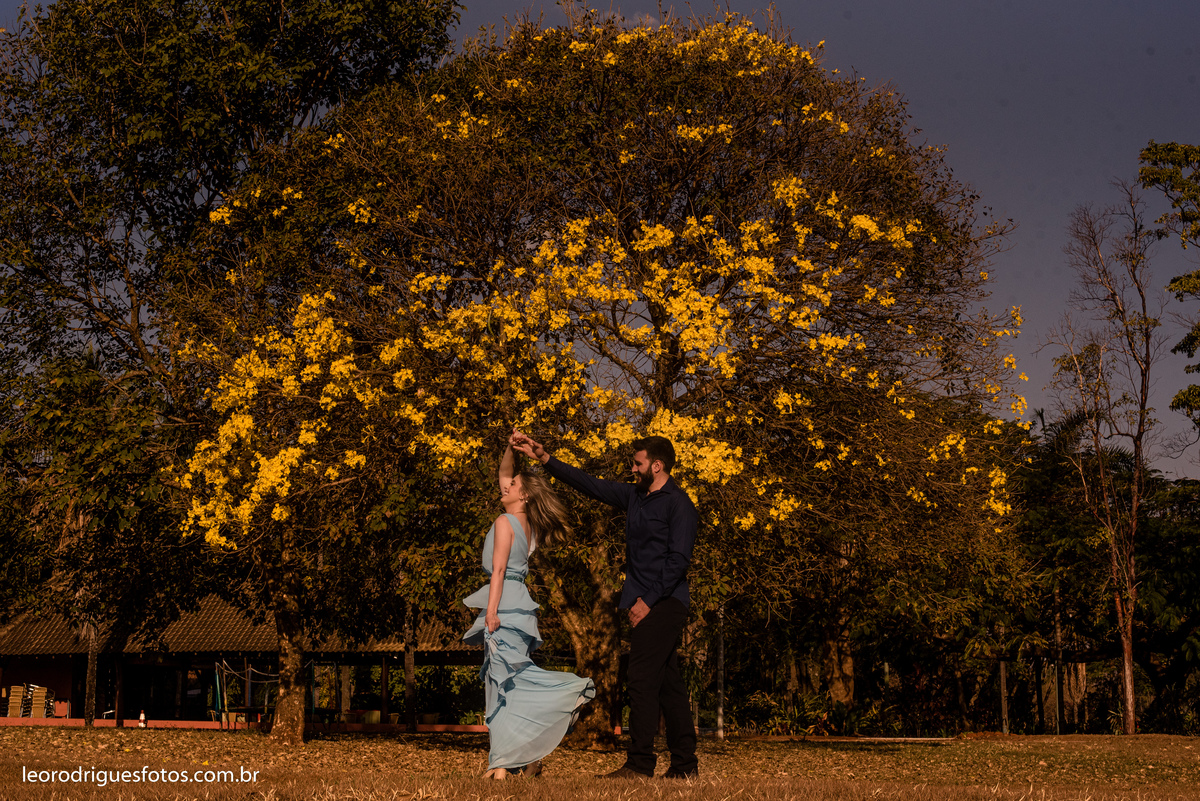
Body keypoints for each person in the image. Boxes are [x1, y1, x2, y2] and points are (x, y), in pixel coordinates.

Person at [510, 429, 699, 780]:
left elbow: (679, 561)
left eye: (638, 463)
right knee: (668, 683)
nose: (632, 468)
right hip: (644, 602)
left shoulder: (679, 504)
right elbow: (590, 484)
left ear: (657, 466)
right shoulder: (636, 497)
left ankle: (640, 764)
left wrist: (646, 601)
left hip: (664, 603)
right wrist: (545, 458)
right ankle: (685, 766)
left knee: (641, 680)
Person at [462, 443, 595, 780]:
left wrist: (491, 612)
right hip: (522, 606)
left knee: (504, 683)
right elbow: (505, 471)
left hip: (505, 604)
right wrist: (509, 446)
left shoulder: (505, 521)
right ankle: (517, 759)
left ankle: (507, 760)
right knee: (509, 681)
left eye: (513, 485)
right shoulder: (527, 525)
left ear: (522, 496)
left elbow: (499, 570)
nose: (505, 486)